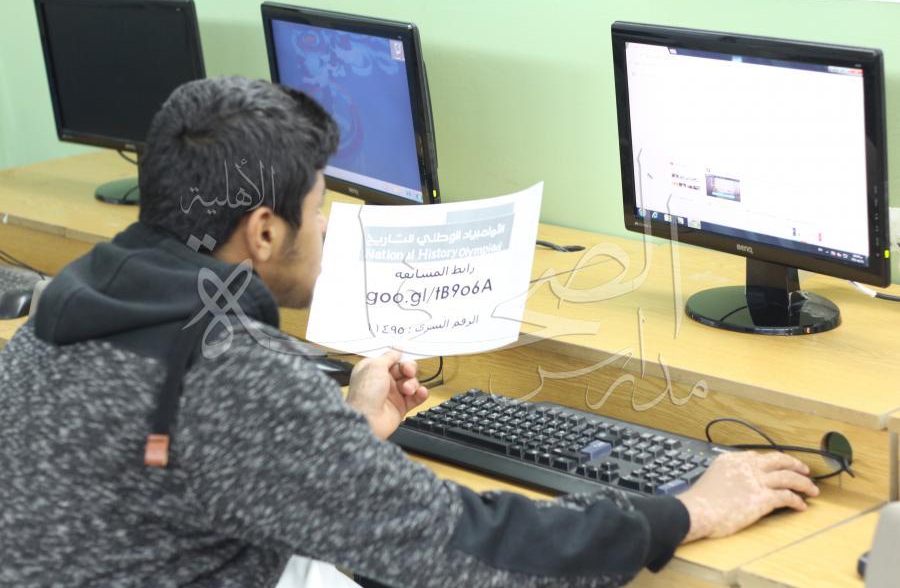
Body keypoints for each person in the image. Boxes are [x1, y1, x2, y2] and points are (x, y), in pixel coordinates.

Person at [0, 76, 819, 588]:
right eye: (320, 206)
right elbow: (466, 553)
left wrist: (345, 434)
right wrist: (683, 511)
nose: (328, 226)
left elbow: (210, 475)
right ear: (264, 231)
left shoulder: (70, 307)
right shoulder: (230, 375)